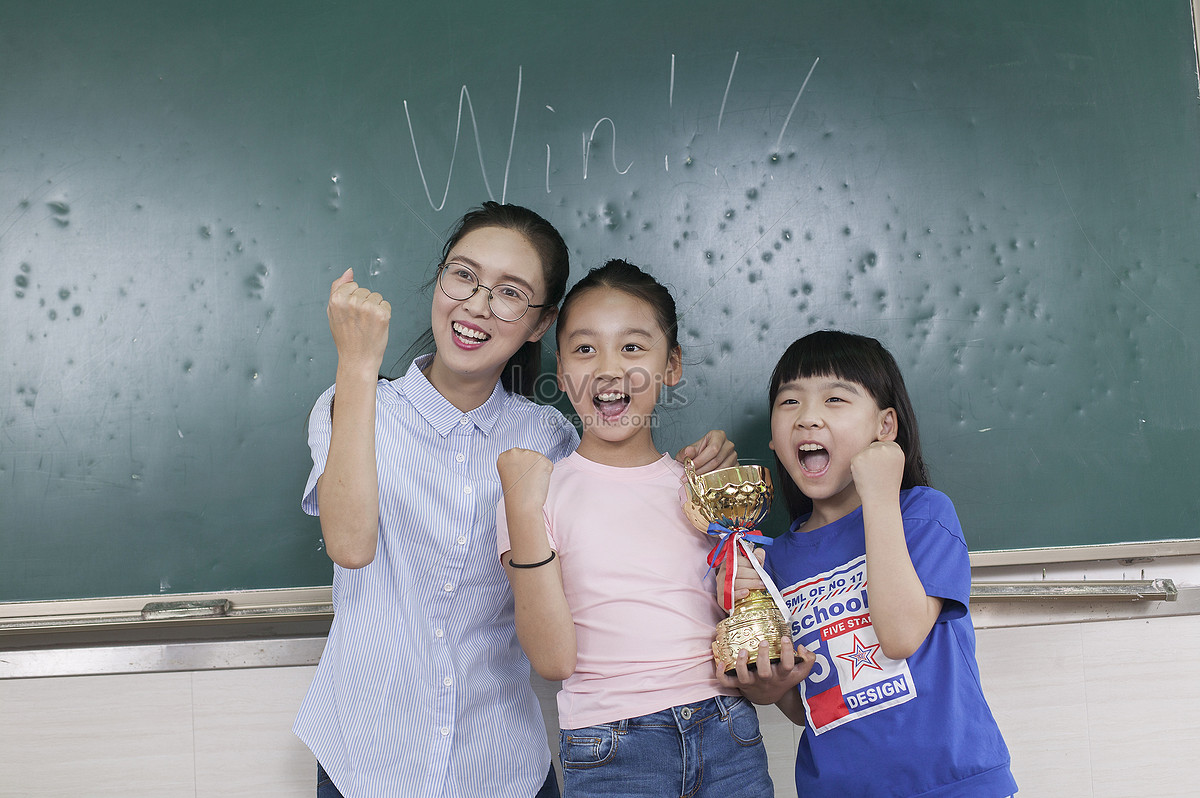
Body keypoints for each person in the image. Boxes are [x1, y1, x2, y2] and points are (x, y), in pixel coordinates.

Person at [296, 203, 735, 798]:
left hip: (500, 763)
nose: (477, 304)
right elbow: (349, 544)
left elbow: (623, 502)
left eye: (509, 292)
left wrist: (704, 471)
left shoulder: (550, 439)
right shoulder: (353, 403)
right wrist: (357, 362)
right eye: (463, 275)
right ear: (440, 280)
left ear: (538, 325)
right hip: (365, 758)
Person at [496, 259, 774, 798]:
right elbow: (553, 660)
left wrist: (725, 506)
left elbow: (746, 619)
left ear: (671, 366)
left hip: (728, 731)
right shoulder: (535, 495)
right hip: (613, 750)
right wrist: (522, 511)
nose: (607, 369)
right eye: (584, 349)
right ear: (560, 367)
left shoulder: (700, 488)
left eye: (632, 348)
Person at [718, 330, 1017, 798]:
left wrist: (879, 492)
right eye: (789, 402)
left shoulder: (922, 514)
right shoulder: (771, 561)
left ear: (885, 427)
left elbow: (900, 636)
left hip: (955, 785)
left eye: (835, 398)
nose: (808, 418)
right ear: (775, 441)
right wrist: (769, 688)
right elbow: (809, 706)